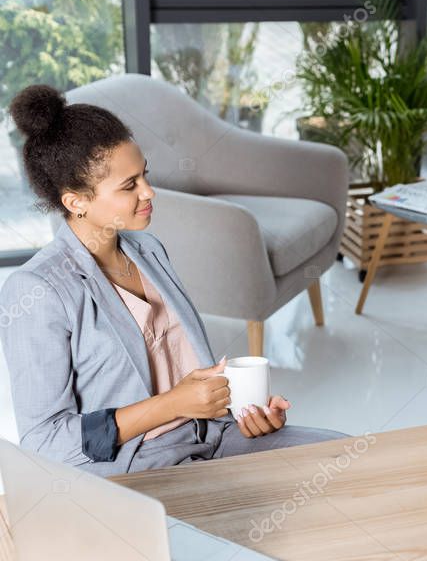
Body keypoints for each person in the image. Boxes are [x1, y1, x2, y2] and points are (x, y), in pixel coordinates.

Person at [0, 85, 345, 475]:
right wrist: (173, 405)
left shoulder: (148, 250)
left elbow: (185, 373)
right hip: (139, 467)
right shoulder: (37, 290)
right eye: (129, 185)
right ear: (75, 201)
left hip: (214, 438)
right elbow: (45, 443)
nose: (148, 192)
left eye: (144, 175)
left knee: (348, 458)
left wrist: (246, 413)